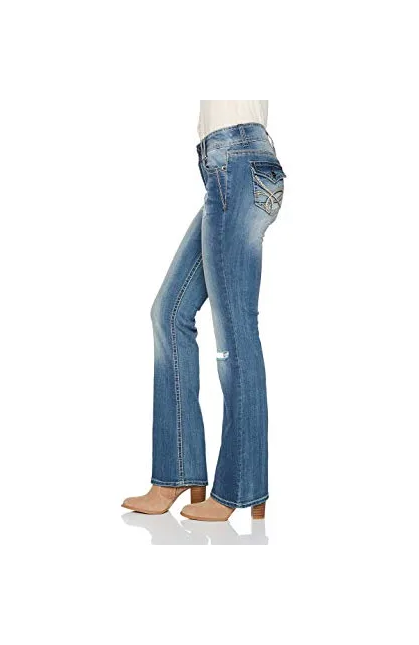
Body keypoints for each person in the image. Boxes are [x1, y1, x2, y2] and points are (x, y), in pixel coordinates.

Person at [122, 96, 286, 521]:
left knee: (236, 330)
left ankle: (240, 488)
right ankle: (176, 473)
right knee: (169, 312)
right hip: (229, 167)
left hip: (236, 161)